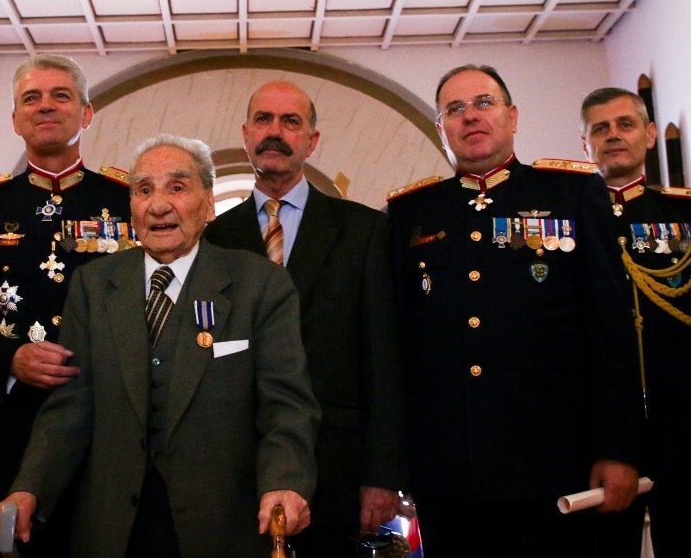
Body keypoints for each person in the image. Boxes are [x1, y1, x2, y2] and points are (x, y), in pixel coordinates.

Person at [0, 133, 321, 556]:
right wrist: (29, 488)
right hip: (113, 531)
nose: (158, 205)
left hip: (221, 526)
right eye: (144, 190)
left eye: (177, 187)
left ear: (208, 203)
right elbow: (69, 408)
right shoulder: (94, 285)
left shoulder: (260, 285)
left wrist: (285, 482)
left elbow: (286, 406)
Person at [386, 64, 643, 557]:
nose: (470, 116)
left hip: (557, 465)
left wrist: (618, 448)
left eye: (484, 103)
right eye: (455, 109)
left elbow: (611, 329)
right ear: (441, 129)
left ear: (513, 116)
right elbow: (399, 345)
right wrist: (396, 465)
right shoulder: (411, 212)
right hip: (450, 475)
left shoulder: (571, 193)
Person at [0, 54, 131, 557]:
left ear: (86, 113)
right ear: (16, 119)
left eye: (61, 95)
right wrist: (9, 359)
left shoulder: (126, 201)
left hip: (104, 440)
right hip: (4, 439)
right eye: (31, 98)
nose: (46, 106)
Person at [203, 80, 407, 556]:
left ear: (312, 141)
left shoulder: (364, 231)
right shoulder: (214, 239)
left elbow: (383, 359)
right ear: (246, 135)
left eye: (290, 121)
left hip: (337, 464)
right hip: (235, 466)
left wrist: (382, 475)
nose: (275, 132)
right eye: (264, 120)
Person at [581, 87, 691, 557]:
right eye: (600, 128)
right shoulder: (569, 220)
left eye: (625, 124)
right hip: (599, 435)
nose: (613, 135)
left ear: (649, 135)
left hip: (681, 424)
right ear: (585, 143)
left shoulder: (681, 213)